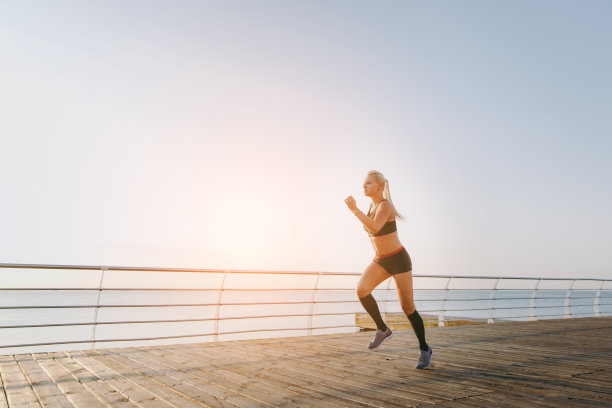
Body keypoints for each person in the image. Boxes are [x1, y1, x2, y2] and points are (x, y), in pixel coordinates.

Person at [344, 170, 433, 369]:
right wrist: (359, 211)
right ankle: (382, 329)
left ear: (379, 186)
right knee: (362, 290)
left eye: (368, 183)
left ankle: (424, 349)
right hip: (381, 260)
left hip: (399, 259)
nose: (363, 186)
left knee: (407, 307)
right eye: (363, 183)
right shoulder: (371, 206)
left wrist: (354, 210)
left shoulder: (385, 206)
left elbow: (375, 228)